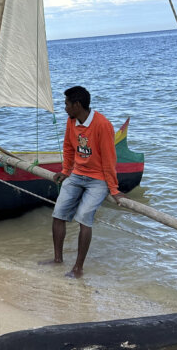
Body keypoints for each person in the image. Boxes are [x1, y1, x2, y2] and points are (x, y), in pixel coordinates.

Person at [43, 86, 125, 278]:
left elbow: (109, 159)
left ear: (77, 105)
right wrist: (65, 171)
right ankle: (57, 260)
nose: (65, 108)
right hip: (77, 174)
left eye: (66, 104)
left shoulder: (102, 125)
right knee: (58, 214)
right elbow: (68, 147)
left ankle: (78, 268)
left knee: (84, 218)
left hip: (98, 179)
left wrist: (113, 188)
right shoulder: (72, 121)